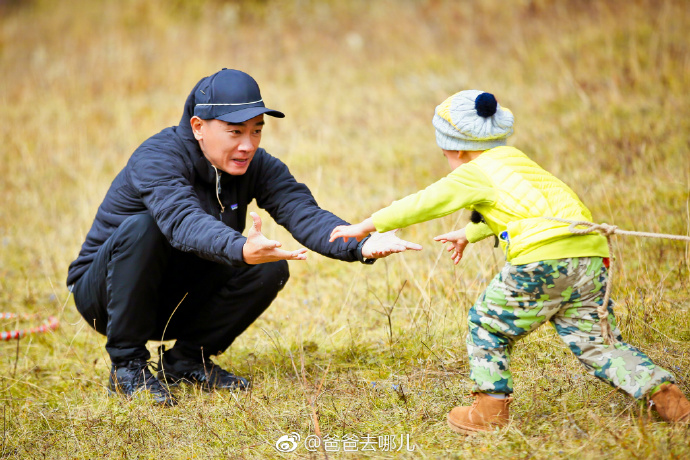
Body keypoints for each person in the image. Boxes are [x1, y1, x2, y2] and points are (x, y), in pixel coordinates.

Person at [330, 90, 690, 432]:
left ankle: (489, 411)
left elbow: (425, 202)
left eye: (445, 155)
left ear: (456, 148)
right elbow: (522, 210)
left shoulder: (474, 171)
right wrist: (469, 233)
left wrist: (366, 225)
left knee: (488, 325)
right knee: (599, 342)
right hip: (591, 256)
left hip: (542, 261)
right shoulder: (520, 163)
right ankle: (670, 401)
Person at [67, 68, 421, 406]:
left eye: (256, 131)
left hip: (175, 295)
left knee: (269, 266)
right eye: (235, 132)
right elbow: (182, 221)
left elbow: (302, 211)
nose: (248, 145)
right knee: (144, 228)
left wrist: (360, 244)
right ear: (198, 127)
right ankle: (127, 366)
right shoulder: (158, 157)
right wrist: (239, 248)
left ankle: (187, 361)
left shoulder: (256, 166)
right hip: (106, 299)